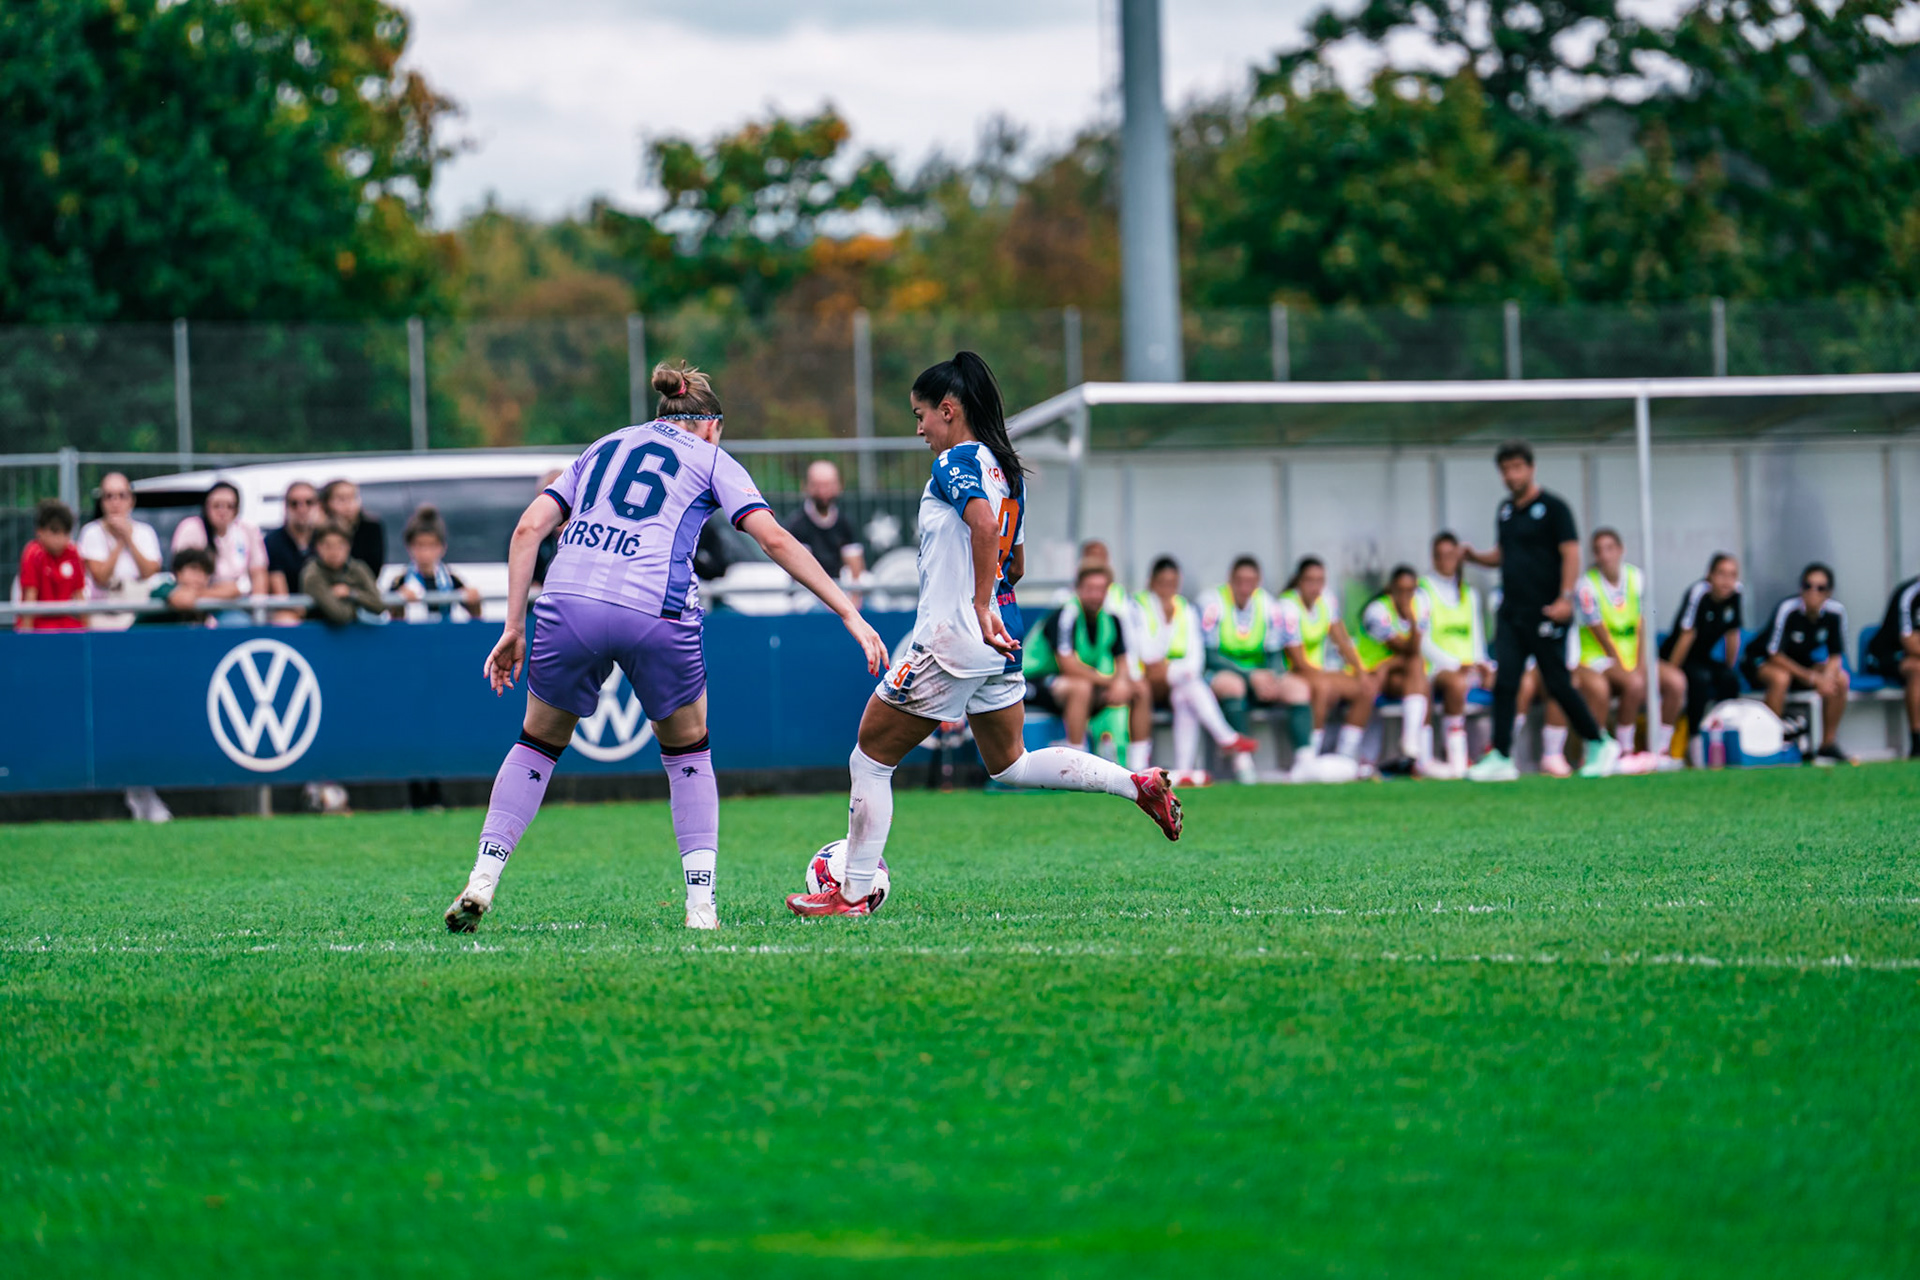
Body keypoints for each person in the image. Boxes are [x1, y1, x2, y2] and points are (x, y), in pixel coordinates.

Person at [451, 359, 887, 934]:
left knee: (536, 744)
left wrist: (511, 626)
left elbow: (529, 529)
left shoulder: (603, 446)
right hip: (653, 608)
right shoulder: (711, 457)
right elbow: (775, 538)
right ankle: (700, 904)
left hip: (566, 600)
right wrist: (849, 612)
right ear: (711, 424)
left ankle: (483, 876)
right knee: (688, 754)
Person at [786, 351, 1181, 918]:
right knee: (1010, 763)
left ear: (949, 410)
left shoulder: (957, 461)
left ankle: (849, 894)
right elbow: (1012, 560)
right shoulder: (1006, 467)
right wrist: (990, 594)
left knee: (870, 756)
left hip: (958, 635)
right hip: (1002, 634)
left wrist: (973, 602)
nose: (919, 428)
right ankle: (1133, 785)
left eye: (921, 414)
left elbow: (982, 524)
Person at [1461, 441, 1617, 780]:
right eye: (1505, 469)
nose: (1511, 475)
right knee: (1505, 683)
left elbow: (1571, 554)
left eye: (1517, 467)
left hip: (1546, 612)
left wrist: (1565, 598)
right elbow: (1504, 554)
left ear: (1531, 469)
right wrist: (1474, 557)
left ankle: (1599, 741)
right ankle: (1501, 756)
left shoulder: (1555, 508)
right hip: (1511, 613)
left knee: (1557, 682)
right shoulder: (1505, 511)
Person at [1559, 528, 1683, 773]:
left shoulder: (1637, 578)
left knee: (1676, 682)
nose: (1605, 556)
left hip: (1632, 656)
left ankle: (1661, 749)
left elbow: (1642, 622)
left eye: (1609, 548)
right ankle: (1625, 751)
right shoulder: (1586, 585)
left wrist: (1640, 661)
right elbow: (1599, 631)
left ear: (1620, 550)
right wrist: (1626, 666)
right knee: (1634, 683)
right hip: (1598, 658)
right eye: (1599, 550)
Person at [1134, 555, 1258, 783]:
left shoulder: (1185, 609)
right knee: (1188, 683)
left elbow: (1196, 655)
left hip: (1177, 680)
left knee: (1186, 692)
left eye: (1172, 583)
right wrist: (1167, 626)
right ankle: (1225, 736)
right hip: (1146, 678)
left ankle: (1184, 770)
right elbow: (1147, 653)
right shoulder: (1139, 605)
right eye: (1162, 583)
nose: (1167, 589)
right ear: (1152, 582)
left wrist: (1176, 668)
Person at [1023, 561, 1151, 764]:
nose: (1096, 596)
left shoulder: (1111, 619)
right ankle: (1076, 764)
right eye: (1090, 589)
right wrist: (1111, 683)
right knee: (1081, 688)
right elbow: (1068, 666)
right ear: (1078, 590)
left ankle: (1139, 767)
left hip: (1076, 685)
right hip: (1032, 682)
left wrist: (1122, 682)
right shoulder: (1066, 615)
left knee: (1140, 689)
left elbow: (1123, 662)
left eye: (1101, 590)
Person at [1199, 556, 1312, 781]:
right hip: (1223, 674)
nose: (1244, 587)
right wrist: (1251, 676)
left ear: (1258, 581)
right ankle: (1242, 760)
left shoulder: (1268, 605)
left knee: (1298, 688)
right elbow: (1209, 655)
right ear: (1230, 580)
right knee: (1233, 685)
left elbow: (1274, 653)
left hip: (1258, 676)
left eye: (1250, 581)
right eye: (1239, 580)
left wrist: (1271, 677)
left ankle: (1305, 761)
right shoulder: (1212, 603)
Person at [1743, 563, 1851, 764]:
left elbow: (1836, 655)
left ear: (1829, 592)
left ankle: (1827, 744)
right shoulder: (1788, 609)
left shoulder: (1836, 612)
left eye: (1820, 588)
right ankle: (1772, 744)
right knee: (1781, 678)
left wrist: (1826, 678)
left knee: (1841, 679)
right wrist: (1813, 678)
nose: (1813, 592)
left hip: (1800, 664)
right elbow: (1775, 654)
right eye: (1808, 586)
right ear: (1801, 589)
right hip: (1761, 661)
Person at [1274, 556, 1372, 767]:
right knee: (1323, 687)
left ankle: (1346, 754)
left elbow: (1342, 640)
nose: (1315, 586)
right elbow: (1297, 660)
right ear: (1299, 581)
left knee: (1366, 688)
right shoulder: (1287, 606)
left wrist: (1360, 671)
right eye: (1310, 580)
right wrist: (1330, 678)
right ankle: (1310, 757)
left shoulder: (1326, 599)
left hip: (1318, 672)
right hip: (1292, 673)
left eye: (1320, 580)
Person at [1659, 553, 1745, 763]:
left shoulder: (1736, 593)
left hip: (1704, 657)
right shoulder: (1698, 594)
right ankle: (1695, 741)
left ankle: (1723, 734)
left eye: (1732, 575)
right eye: (1721, 574)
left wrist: (1728, 668)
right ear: (1710, 575)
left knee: (1729, 679)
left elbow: (1733, 635)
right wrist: (1672, 673)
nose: (1727, 581)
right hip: (1679, 656)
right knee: (1700, 679)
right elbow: (1687, 636)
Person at [1418, 532, 1492, 774]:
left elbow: (1476, 635)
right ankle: (1457, 759)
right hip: (1437, 669)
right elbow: (1422, 641)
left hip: (1467, 665)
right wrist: (1454, 663)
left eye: (1451, 554)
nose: (1446, 560)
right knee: (1456, 684)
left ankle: (1496, 752)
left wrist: (1482, 663)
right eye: (1440, 555)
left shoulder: (1469, 593)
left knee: (1511, 682)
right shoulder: (1423, 591)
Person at [1353, 564, 1435, 774]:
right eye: (1401, 590)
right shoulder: (1376, 611)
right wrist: (1412, 620)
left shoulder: (1421, 604)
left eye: (1411, 591)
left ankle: (1414, 752)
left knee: (1420, 676)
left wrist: (1413, 620)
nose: (1407, 596)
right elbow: (1407, 649)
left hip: (1394, 673)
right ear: (1391, 589)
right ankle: (1417, 751)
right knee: (1417, 668)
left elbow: (1413, 652)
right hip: (1370, 672)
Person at [76, 472, 163, 630]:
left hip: (139, 614)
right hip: (102, 615)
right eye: (109, 496)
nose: (115, 502)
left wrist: (129, 539)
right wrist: (120, 542)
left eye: (122, 496)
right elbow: (101, 577)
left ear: (131, 501)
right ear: (102, 502)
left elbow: (150, 572)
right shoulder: (91, 532)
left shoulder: (145, 532)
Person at [170, 480, 268, 605]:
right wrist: (222, 592)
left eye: (229, 506)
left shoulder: (249, 530)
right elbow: (184, 575)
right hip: (200, 602)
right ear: (206, 507)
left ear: (237, 510)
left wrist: (258, 607)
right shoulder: (191, 529)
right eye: (217, 506)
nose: (223, 511)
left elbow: (259, 572)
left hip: (241, 601)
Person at [1864, 573, 1920, 759]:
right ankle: (1917, 743)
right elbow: (1910, 643)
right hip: (1887, 656)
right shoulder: (1909, 593)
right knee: (1918, 668)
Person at [393, 505, 482, 621]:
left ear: (443, 547)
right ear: (409, 546)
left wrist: (474, 600)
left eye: (432, 546)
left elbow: (476, 615)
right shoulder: (401, 581)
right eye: (419, 545)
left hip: (445, 636)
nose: (425, 553)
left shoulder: (450, 579)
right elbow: (391, 620)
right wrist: (399, 601)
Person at [784, 460, 867, 583]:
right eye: (817, 485)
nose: (823, 492)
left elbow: (855, 566)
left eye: (828, 485)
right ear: (806, 486)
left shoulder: (845, 522)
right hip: (808, 590)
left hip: (840, 586)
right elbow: (800, 570)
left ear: (839, 486)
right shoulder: (796, 524)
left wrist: (854, 598)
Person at [16, 499, 86, 632]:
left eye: (65, 533)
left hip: (64, 623)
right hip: (38, 623)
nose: (61, 539)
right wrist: (26, 638)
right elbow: (30, 597)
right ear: (40, 531)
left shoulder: (73, 553)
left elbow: (80, 596)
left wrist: (88, 633)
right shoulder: (33, 554)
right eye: (55, 532)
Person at [301, 524, 387, 625]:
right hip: (318, 634)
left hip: (359, 636)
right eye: (328, 546)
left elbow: (379, 605)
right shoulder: (313, 574)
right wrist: (360, 610)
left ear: (348, 547)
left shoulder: (358, 568)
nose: (334, 552)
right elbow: (339, 615)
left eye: (340, 545)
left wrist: (350, 593)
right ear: (318, 547)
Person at [264, 480, 322, 622]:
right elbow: (280, 594)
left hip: (324, 605)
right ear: (285, 507)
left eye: (308, 502)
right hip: (289, 608)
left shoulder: (325, 538)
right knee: (285, 620)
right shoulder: (273, 541)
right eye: (294, 503)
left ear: (318, 505)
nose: (302, 509)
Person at [135, 548, 218, 626]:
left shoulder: (201, 594)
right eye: (194, 569)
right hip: (140, 639)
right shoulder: (165, 585)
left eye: (205, 572)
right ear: (179, 573)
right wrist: (206, 593)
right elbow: (184, 600)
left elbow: (230, 589)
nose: (200, 576)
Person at [321, 479, 385, 578]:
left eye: (353, 498)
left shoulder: (370, 528)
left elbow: (372, 568)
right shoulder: (320, 530)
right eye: (341, 499)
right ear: (327, 503)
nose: (348, 505)